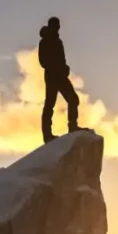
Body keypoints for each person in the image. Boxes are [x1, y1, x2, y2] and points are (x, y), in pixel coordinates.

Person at [38, 16, 80, 144]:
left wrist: (65, 68)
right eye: (56, 25)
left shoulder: (58, 41)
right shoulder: (45, 41)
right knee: (50, 104)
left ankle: (72, 126)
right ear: (51, 25)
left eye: (58, 25)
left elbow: (61, 59)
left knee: (73, 99)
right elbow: (43, 61)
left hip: (61, 75)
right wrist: (56, 68)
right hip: (52, 76)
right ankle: (47, 135)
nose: (58, 27)